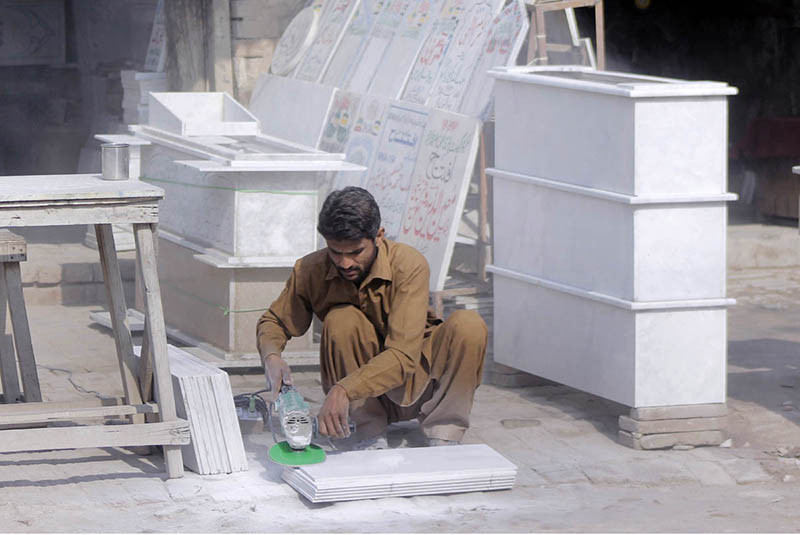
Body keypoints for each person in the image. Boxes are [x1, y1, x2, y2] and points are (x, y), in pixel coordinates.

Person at [256, 186, 487, 447]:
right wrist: (271, 357)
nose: (345, 263)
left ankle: (444, 434)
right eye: (335, 252)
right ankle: (367, 431)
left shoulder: (408, 265)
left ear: (378, 236)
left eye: (355, 252)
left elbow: (403, 356)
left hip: (420, 387)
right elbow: (273, 321)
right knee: (341, 319)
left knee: (469, 325)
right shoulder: (311, 269)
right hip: (363, 402)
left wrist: (343, 389)